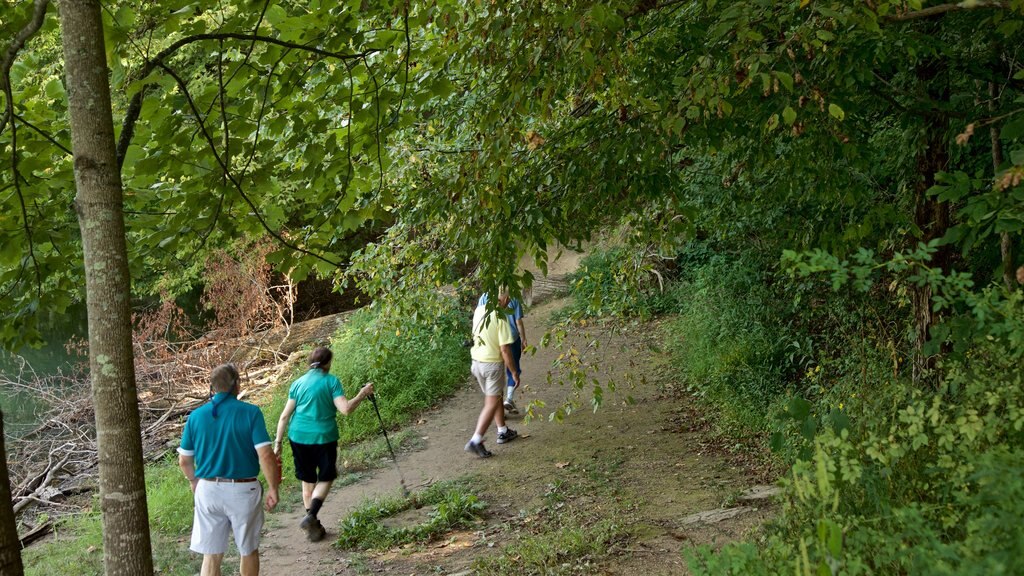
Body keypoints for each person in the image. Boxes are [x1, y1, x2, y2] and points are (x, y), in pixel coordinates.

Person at [178, 363, 280, 576]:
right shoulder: (250, 413)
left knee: (211, 554)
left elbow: (184, 460)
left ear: (212, 387)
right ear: (237, 384)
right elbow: (265, 455)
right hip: (243, 490)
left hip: (208, 489)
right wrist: (273, 487)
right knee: (248, 549)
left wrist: (193, 481)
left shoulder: (196, 416)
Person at [273, 347, 373, 541]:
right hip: (324, 437)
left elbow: (285, 415)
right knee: (326, 476)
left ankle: (314, 527)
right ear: (328, 363)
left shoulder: (297, 383)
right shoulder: (331, 381)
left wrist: (277, 443)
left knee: (307, 481)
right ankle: (311, 516)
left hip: (298, 437)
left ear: (309, 363)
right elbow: (345, 409)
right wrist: (362, 394)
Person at [466, 287, 521, 458]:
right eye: (508, 299)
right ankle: (476, 440)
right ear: (504, 300)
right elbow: (505, 349)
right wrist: (514, 372)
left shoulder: (479, 310)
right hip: (491, 365)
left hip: (476, 363)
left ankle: (503, 430)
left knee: (495, 396)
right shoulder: (501, 317)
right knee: (491, 402)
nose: (509, 302)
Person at [478, 291, 528, 414]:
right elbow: (518, 322)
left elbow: (480, 319)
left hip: (493, 340)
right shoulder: (513, 296)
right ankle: (509, 398)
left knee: (496, 375)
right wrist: (523, 339)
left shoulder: (484, 297)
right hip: (511, 338)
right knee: (513, 368)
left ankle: (498, 410)